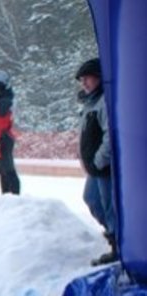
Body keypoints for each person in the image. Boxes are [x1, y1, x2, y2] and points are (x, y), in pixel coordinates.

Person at [75, 57, 117, 266]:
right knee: (92, 200)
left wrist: (99, 160)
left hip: (104, 167)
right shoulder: (89, 104)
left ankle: (118, 246)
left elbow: (110, 136)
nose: (84, 83)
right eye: (81, 79)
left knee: (110, 206)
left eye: (88, 78)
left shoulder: (104, 102)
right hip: (94, 167)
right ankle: (113, 236)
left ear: (99, 77)